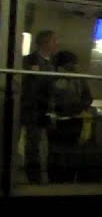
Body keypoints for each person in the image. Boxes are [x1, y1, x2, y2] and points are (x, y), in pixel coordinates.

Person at [45, 50, 91, 183]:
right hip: (62, 119)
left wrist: (78, 108)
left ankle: (64, 178)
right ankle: (58, 178)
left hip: (71, 119)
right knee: (58, 151)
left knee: (66, 151)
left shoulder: (76, 79)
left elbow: (87, 97)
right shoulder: (54, 78)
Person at [19, 29, 58, 183]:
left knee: (43, 144)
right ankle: (33, 176)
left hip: (45, 108)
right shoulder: (29, 61)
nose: (57, 44)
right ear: (45, 43)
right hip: (33, 108)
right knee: (33, 144)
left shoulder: (53, 63)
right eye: (54, 40)